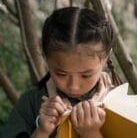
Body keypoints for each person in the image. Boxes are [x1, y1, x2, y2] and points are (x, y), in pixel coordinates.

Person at [1, 7, 115, 138]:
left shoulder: (120, 104)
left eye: (86, 75)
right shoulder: (31, 102)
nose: (73, 86)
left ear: (105, 59)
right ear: (46, 58)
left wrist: (91, 133)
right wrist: (42, 131)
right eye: (62, 74)